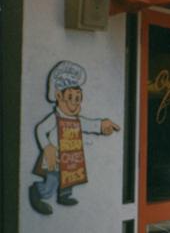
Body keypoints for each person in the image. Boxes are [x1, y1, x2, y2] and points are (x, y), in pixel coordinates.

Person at [29, 61, 120, 215]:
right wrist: (47, 147)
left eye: (78, 99)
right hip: (55, 158)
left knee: (70, 178)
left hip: (70, 157)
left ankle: (64, 196)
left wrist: (102, 126)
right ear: (59, 96)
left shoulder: (76, 119)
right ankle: (38, 192)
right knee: (52, 182)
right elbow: (40, 129)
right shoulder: (54, 117)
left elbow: (89, 124)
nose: (74, 104)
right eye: (70, 98)